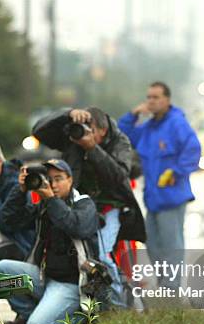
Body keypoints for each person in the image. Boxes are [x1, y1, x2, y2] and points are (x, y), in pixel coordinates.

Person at [32, 107, 145, 308]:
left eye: (89, 128)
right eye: (81, 126)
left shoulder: (120, 142)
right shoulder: (72, 135)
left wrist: (93, 149)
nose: (82, 131)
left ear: (102, 131)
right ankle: (90, 306)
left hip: (109, 205)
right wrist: (67, 114)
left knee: (101, 254)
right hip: (79, 204)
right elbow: (39, 132)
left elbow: (118, 178)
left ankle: (119, 309)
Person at [0, 159, 99, 324]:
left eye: (59, 178)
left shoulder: (84, 204)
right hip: (45, 277)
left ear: (70, 180)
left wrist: (51, 200)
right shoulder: (45, 205)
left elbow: (77, 227)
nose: (53, 184)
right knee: (3, 269)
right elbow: (10, 221)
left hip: (71, 284)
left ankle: (81, 319)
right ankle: (31, 314)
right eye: (49, 179)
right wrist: (20, 191)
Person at [118, 82, 201, 290]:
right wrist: (133, 114)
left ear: (167, 100)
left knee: (172, 247)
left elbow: (193, 150)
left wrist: (177, 172)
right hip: (153, 198)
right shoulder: (148, 127)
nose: (151, 101)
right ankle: (165, 284)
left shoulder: (176, 123)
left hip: (172, 196)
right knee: (153, 246)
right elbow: (122, 135)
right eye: (149, 97)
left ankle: (171, 291)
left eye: (156, 97)